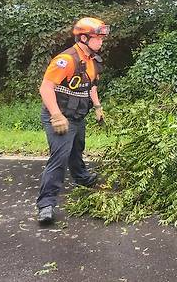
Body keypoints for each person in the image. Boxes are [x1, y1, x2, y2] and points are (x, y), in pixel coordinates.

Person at [36, 17, 109, 224]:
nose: (101, 42)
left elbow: (91, 87)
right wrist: (56, 115)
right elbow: (46, 87)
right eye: (98, 38)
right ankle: (46, 204)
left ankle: (82, 178)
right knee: (59, 157)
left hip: (77, 117)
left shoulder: (92, 61)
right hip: (58, 117)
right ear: (84, 38)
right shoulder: (66, 60)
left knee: (77, 148)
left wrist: (97, 107)